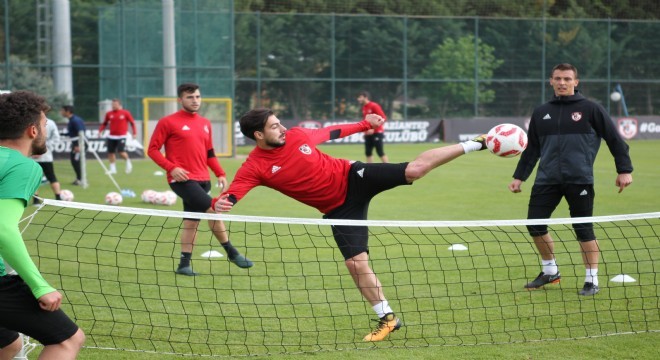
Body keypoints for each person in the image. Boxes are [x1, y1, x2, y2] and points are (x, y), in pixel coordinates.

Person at [212, 108, 487, 342]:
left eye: (280, 122)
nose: (283, 128)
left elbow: (333, 132)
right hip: (339, 209)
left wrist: (366, 124)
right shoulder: (255, 166)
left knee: (414, 170)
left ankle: (476, 143)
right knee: (356, 263)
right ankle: (388, 319)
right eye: (274, 126)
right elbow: (232, 194)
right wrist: (224, 203)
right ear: (258, 135)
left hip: (354, 175)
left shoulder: (297, 135)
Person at [509, 63, 633, 296]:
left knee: (583, 229)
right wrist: (519, 177)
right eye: (558, 78)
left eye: (567, 79)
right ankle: (550, 271)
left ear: (576, 82)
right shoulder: (540, 112)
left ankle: (591, 280)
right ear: (551, 81)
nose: (562, 82)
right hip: (546, 179)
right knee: (534, 225)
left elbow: (615, 139)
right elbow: (532, 148)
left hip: (580, 179)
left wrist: (624, 170)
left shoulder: (591, 109)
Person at [0, 90, 85, 359]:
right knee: (68, 340)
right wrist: (39, 286)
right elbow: (2, 227)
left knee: (9, 345)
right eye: (46, 125)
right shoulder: (23, 166)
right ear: (32, 131)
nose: (47, 130)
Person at [148, 83, 253, 275]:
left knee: (191, 223)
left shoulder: (205, 123)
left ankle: (183, 265)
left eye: (197, 96)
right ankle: (232, 252)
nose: (195, 100)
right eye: (190, 97)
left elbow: (209, 153)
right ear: (180, 100)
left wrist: (220, 173)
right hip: (182, 181)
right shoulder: (167, 122)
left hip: (203, 179)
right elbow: (152, 150)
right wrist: (172, 168)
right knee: (213, 210)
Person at [99, 99, 137, 174]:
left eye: (115, 104)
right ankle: (113, 169)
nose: (113, 106)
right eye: (112, 104)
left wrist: (134, 133)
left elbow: (132, 123)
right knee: (110, 153)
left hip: (122, 136)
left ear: (119, 105)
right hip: (111, 136)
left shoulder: (126, 113)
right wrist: (100, 131)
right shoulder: (109, 113)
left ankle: (128, 162)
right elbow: (104, 123)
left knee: (121, 152)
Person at [33, 117, 62, 204]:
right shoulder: (51, 122)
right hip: (43, 156)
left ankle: (57, 198)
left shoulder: (31, 120)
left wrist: (37, 150)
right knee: (49, 177)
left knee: (47, 177)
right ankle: (58, 199)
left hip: (38, 156)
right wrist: (44, 149)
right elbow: (56, 138)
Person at [357, 91, 388, 163]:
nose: (358, 99)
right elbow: (366, 121)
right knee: (368, 152)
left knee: (380, 152)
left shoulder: (374, 105)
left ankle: (389, 169)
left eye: (360, 97)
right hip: (368, 133)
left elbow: (383, 118)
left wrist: (374, 129)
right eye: (358, 97)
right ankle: (369, 170)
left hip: (377, 132)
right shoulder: (364, 107)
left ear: (366, 97)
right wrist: (365, 131)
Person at [60, 105, 86, 186]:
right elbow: (72, 133)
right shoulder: (71, 120)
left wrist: (78, 145)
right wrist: (62, 134)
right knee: (75, 161)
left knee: (76, 161)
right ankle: (80, 179)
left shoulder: (75, 120)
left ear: (68, 111)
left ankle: (81, 179)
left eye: (62, 111)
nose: (61, 112)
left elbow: (81, 133)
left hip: (79, 144)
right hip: (76, 144)